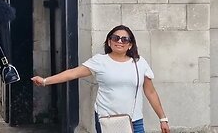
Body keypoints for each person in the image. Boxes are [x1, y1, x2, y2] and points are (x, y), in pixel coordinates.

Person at [31, 25, 170, 133]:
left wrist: (163, 118)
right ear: (109, 42)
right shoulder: (100, 61)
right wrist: (45, 81)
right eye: (116, 38)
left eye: (125, 39)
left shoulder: (140, 63)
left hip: (134, 120)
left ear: (130, 44)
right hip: (107, 120)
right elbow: (73, 73)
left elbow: (151, 92)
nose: (120, 41)